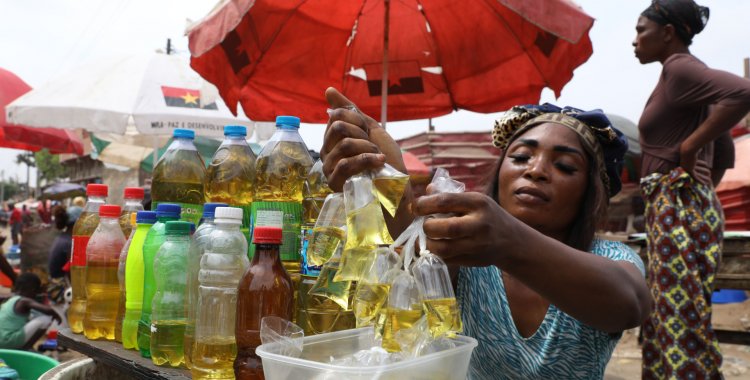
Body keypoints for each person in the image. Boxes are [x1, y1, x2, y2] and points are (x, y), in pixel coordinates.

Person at [321, 88, 651, 379]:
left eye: (564, 166)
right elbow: (412, 243)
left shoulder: (609, 258)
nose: (535, 170)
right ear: (499, 174)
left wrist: (510, 241)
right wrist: (385, 178)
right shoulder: (468, 255)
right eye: (521, 157)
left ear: (589, 192)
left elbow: (630, 303)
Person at [633, 1, 750, 378]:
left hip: (677, 204)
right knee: (667, 315)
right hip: (679, 203)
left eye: (640, 30)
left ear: (668, 33)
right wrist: (703, 186)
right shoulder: (681, 78)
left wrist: (687, 151)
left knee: (680, 319)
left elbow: (744, 92)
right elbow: (726, 148)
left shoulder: (681, 69)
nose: (634, 41)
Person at [0, 272, 62, 350]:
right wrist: (57, 316)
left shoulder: (10, 299)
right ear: (32, 289)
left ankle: (27, 347)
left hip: (1, 342)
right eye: (36, 291)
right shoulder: (24, 301)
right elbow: (48, 310)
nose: (35, 295)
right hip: (9, 341)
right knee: (46, 319)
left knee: (31, 317)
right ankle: (27, 348)